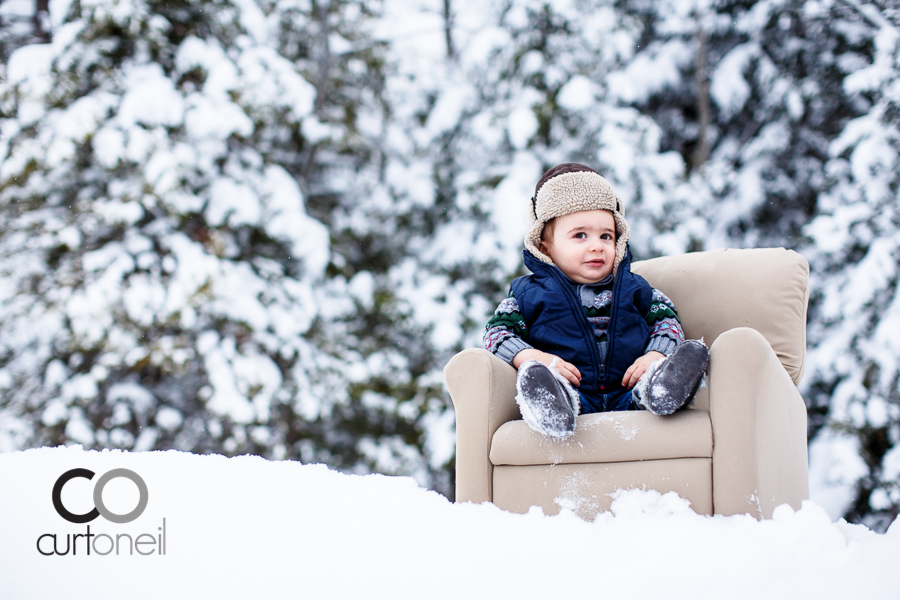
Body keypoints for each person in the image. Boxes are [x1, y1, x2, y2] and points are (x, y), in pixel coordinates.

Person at [482, 163, 709, 439]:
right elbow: (496, 333)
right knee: (550, 382)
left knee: (648, 385)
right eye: (580, 235)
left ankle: (663, 390)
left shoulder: (634, 288)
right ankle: (549, 404)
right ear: (544, 247)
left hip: (630, 397)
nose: (596, 245)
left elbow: (667, 320)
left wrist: (655, 354)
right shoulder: (528, 294)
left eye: (606, 236)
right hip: (573, 398)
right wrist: (534, 358)